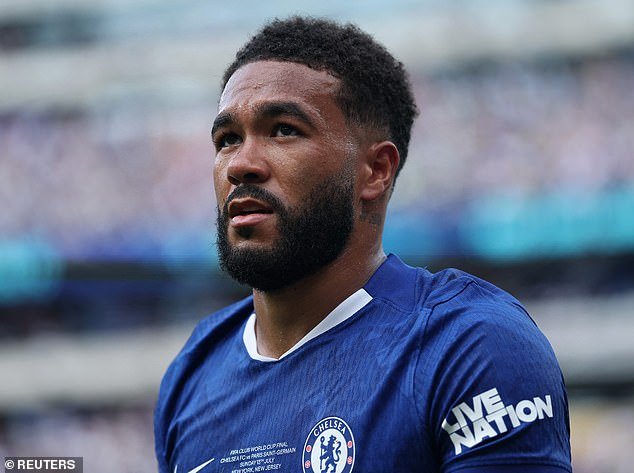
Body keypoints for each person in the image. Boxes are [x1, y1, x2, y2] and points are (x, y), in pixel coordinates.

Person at [154, 16, 572, 473]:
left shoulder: (470, 345)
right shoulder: (193, 373)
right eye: (228, 139)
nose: (241, 164)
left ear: (375, 171)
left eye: (284, 130)